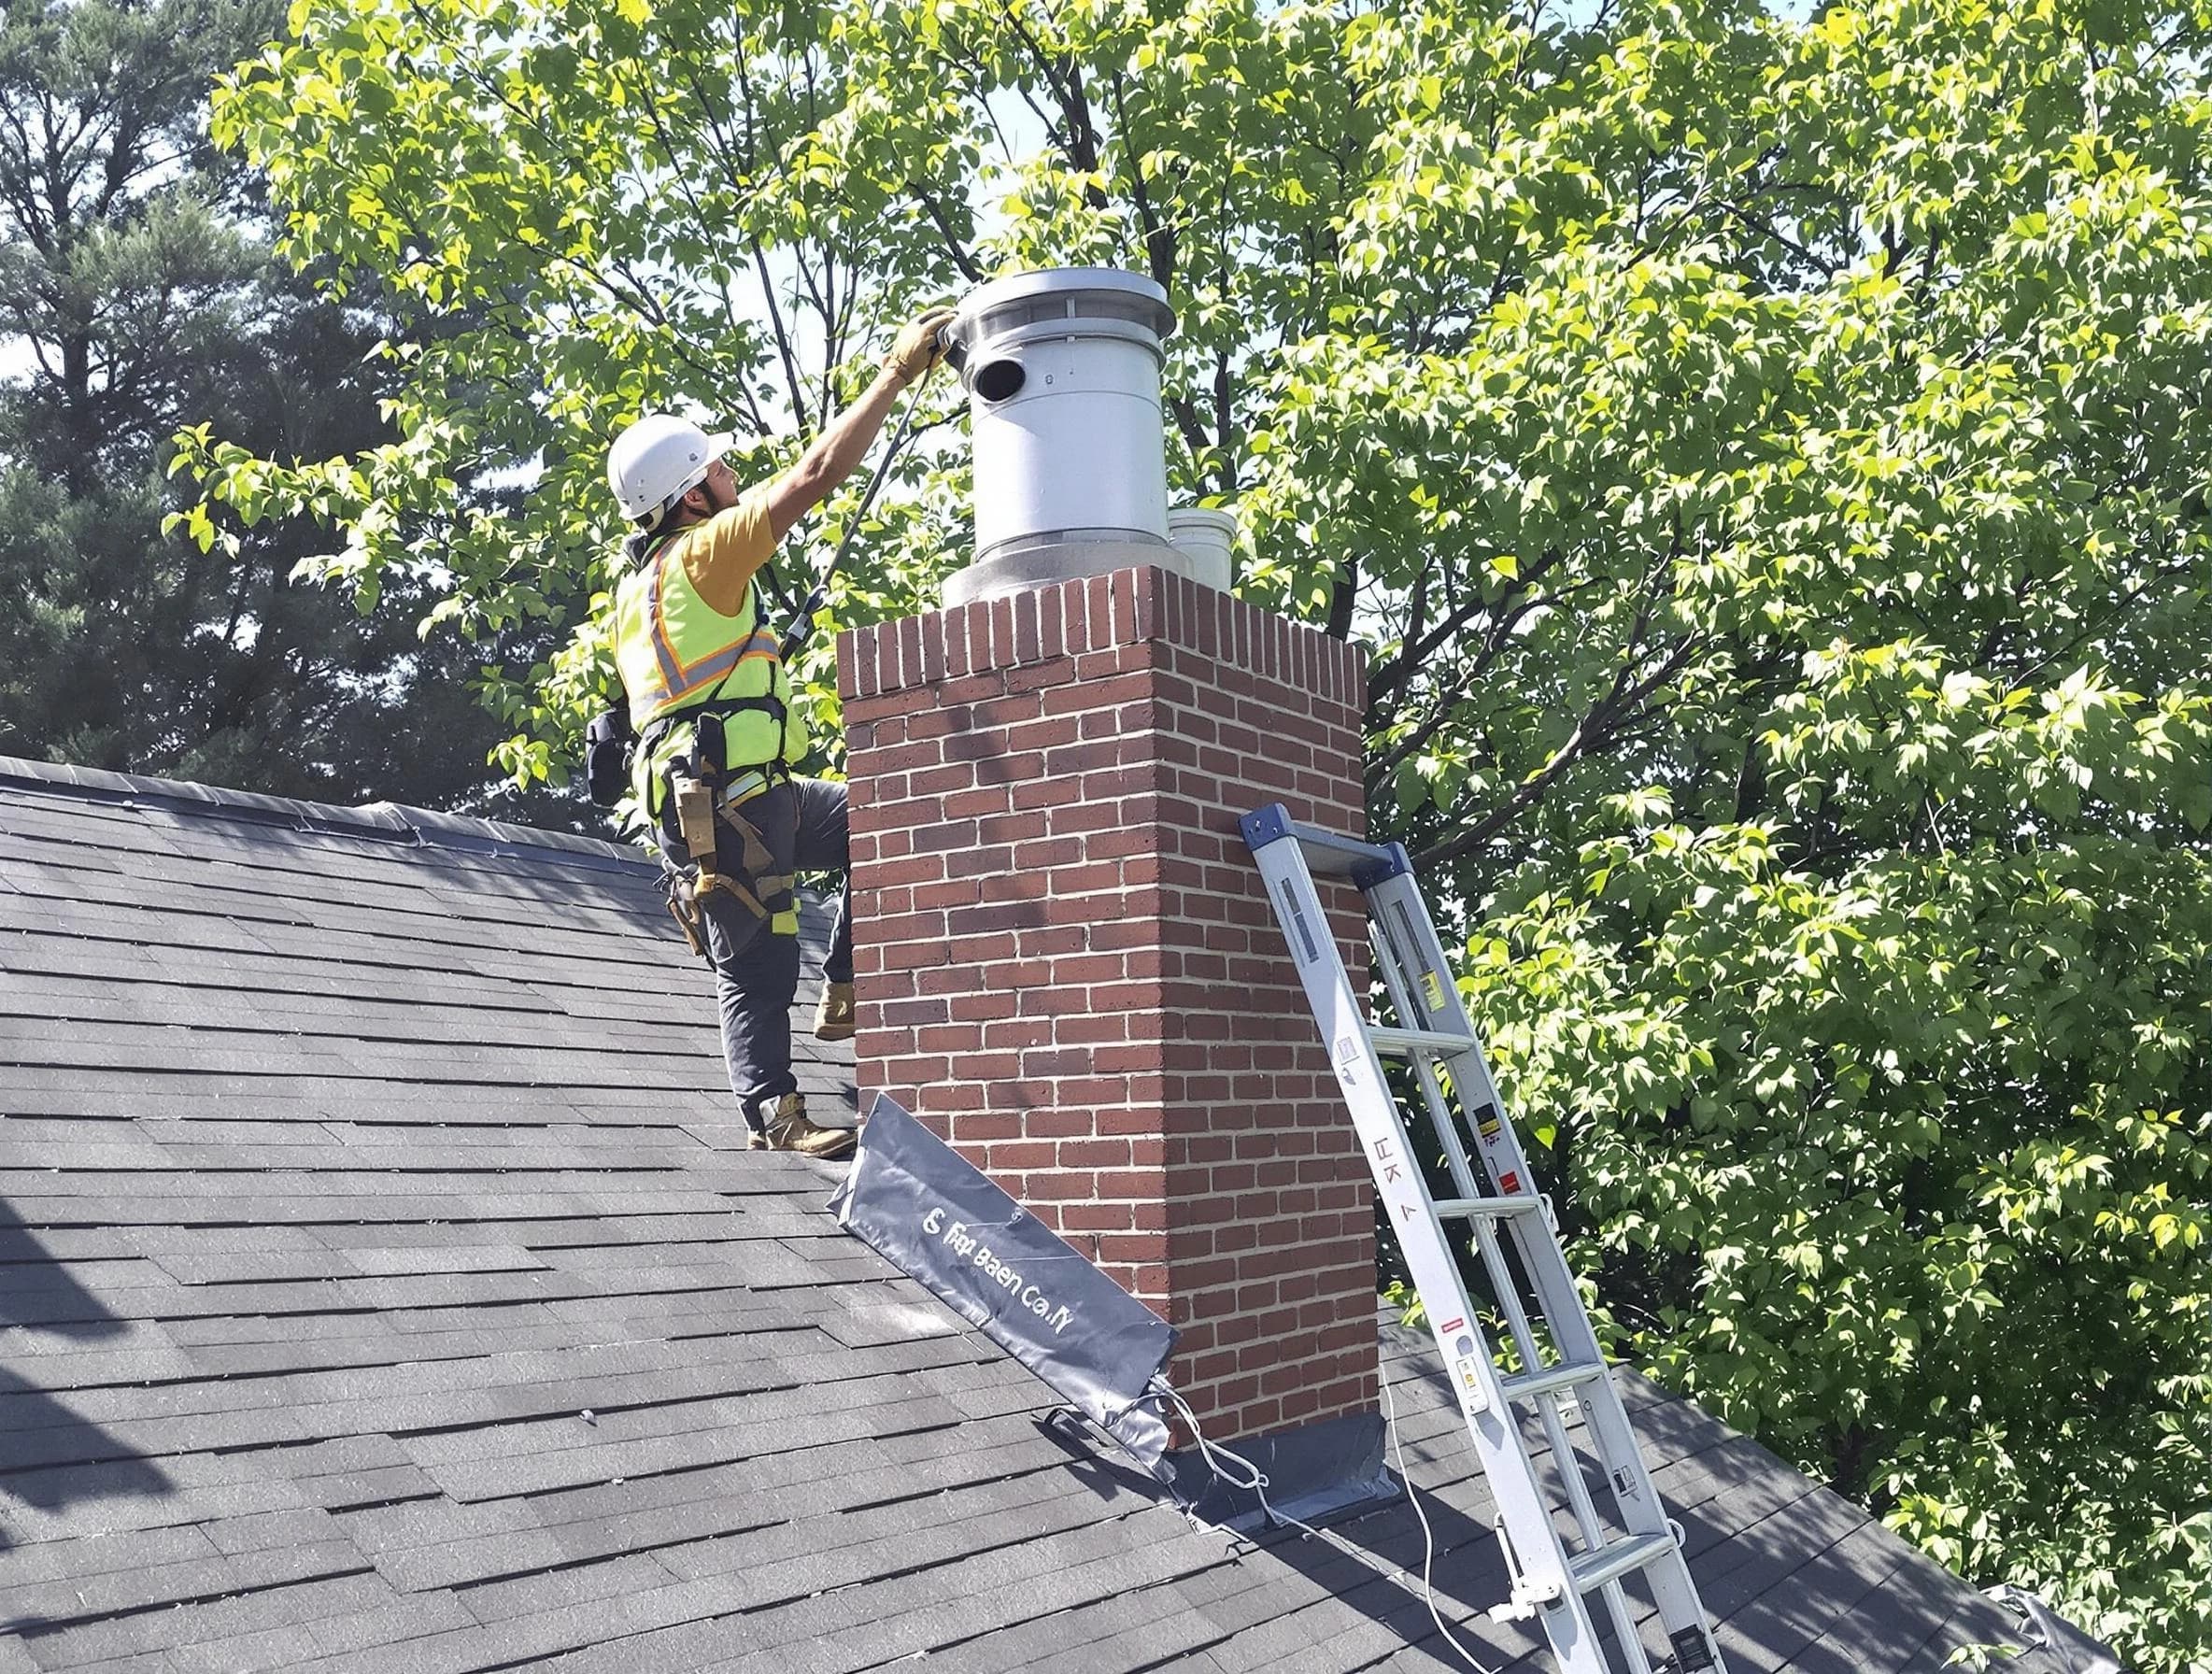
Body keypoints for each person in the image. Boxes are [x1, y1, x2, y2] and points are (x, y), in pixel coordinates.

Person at [606, 305, 956, 1159]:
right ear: (691, 495)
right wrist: (897, 372)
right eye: (719, 469)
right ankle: (773, 1113)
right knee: (757, 971)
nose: (732, 475)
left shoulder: (639, 589)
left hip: (738, 796)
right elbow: (814, 474)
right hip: (729, 807)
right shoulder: (703, 554)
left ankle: (843, 984)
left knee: (890, 820)